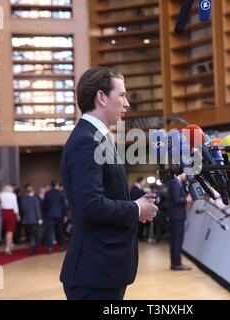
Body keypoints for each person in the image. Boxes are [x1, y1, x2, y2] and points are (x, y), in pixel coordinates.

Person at [59, 67, 158, 300]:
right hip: (94, 273)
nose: (127, 104)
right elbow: (91, 205)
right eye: (122, 95)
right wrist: (135, 208)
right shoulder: (87, 141)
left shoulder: (96, 138)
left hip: (104, 270)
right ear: (101, 97)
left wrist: (135, 209)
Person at [167, 174, 192, 271]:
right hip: (177, 216)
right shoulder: (175, 183)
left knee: (175, 240)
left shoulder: (176, 183)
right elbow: (177, 200)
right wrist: (187, 199)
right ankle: (176, 263)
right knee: (177, 240)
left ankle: (176, 262)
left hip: (176, 215)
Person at [43, 180, 67, 254]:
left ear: (51, 185)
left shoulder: (47, 193)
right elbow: (64, 206)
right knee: (60, 231)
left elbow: (45, 205)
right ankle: (61, 247)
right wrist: (65, 215)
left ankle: (49, 248)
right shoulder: (61, 193)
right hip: (59, 215)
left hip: (50, 215)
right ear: (57, 185)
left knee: (50, 232)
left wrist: (46, 214)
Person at [21, 184, 42, 254]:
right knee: (34, 234)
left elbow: (23, 209)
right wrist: (40, 218)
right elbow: (37, 209)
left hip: (27, 219)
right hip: (34, 219)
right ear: (32, 191)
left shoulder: (24, 199)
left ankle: (32, 247)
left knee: (30, 234)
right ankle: (33, 247)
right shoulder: (35, 198)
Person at [0, 185, 20, 255]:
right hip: (10, 212)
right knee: (10, 231)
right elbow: (15, 205)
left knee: (5, 230)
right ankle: (7, 247)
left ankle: (6, 245)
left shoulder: (0, 195)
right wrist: (17, 214)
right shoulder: (13, 195)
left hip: (3, 212)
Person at [130, 177, 148, 241]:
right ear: (140, 181)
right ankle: (138, 237)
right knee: (138, 225)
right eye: (144, 181)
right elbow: (135, 198)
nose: (144, 183)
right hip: (136, 209)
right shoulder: (135, 188)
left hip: (138, 209)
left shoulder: (138, 188)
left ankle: (140, 237)